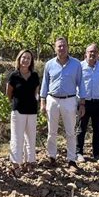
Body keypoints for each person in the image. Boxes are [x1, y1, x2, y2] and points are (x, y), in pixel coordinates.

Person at [40, 37, 86, 168]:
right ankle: (52, 157)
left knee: (70, 131)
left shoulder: (76, 64)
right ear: (55, 48)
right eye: (59, 46)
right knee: (51, 131)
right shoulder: (49, 64)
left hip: (69, 100)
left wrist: (82, 103)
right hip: (52, 100)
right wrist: (43, 102)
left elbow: (81, 84)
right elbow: (45, 84)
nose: (61, 48)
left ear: (68, 47)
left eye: (64, 45)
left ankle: (71, 159)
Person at [6, 49, 40, 177]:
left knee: (31, 138)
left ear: (31, 61)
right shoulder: (13, 76)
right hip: (18, 111)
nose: (25, 60)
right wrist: (16, 103)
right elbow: (8, 94)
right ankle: (15, 164)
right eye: (23, 57)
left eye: (28, 58)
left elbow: (36, 93)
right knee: (17, 138)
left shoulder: (35, 75)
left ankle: (30, 163)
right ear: (19, 59)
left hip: (31, 111)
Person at [76, 43, 99, 163]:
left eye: (95, 52)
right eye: (90, 51)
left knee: (97, 129)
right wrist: (81, 101)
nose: (92, 54)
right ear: (85, 53)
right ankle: (78, 153)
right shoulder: (79, 67)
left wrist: (97, 93)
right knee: (81, 128)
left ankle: (97, 154)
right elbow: (76, 84)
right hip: (83, 103)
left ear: (98, 54)